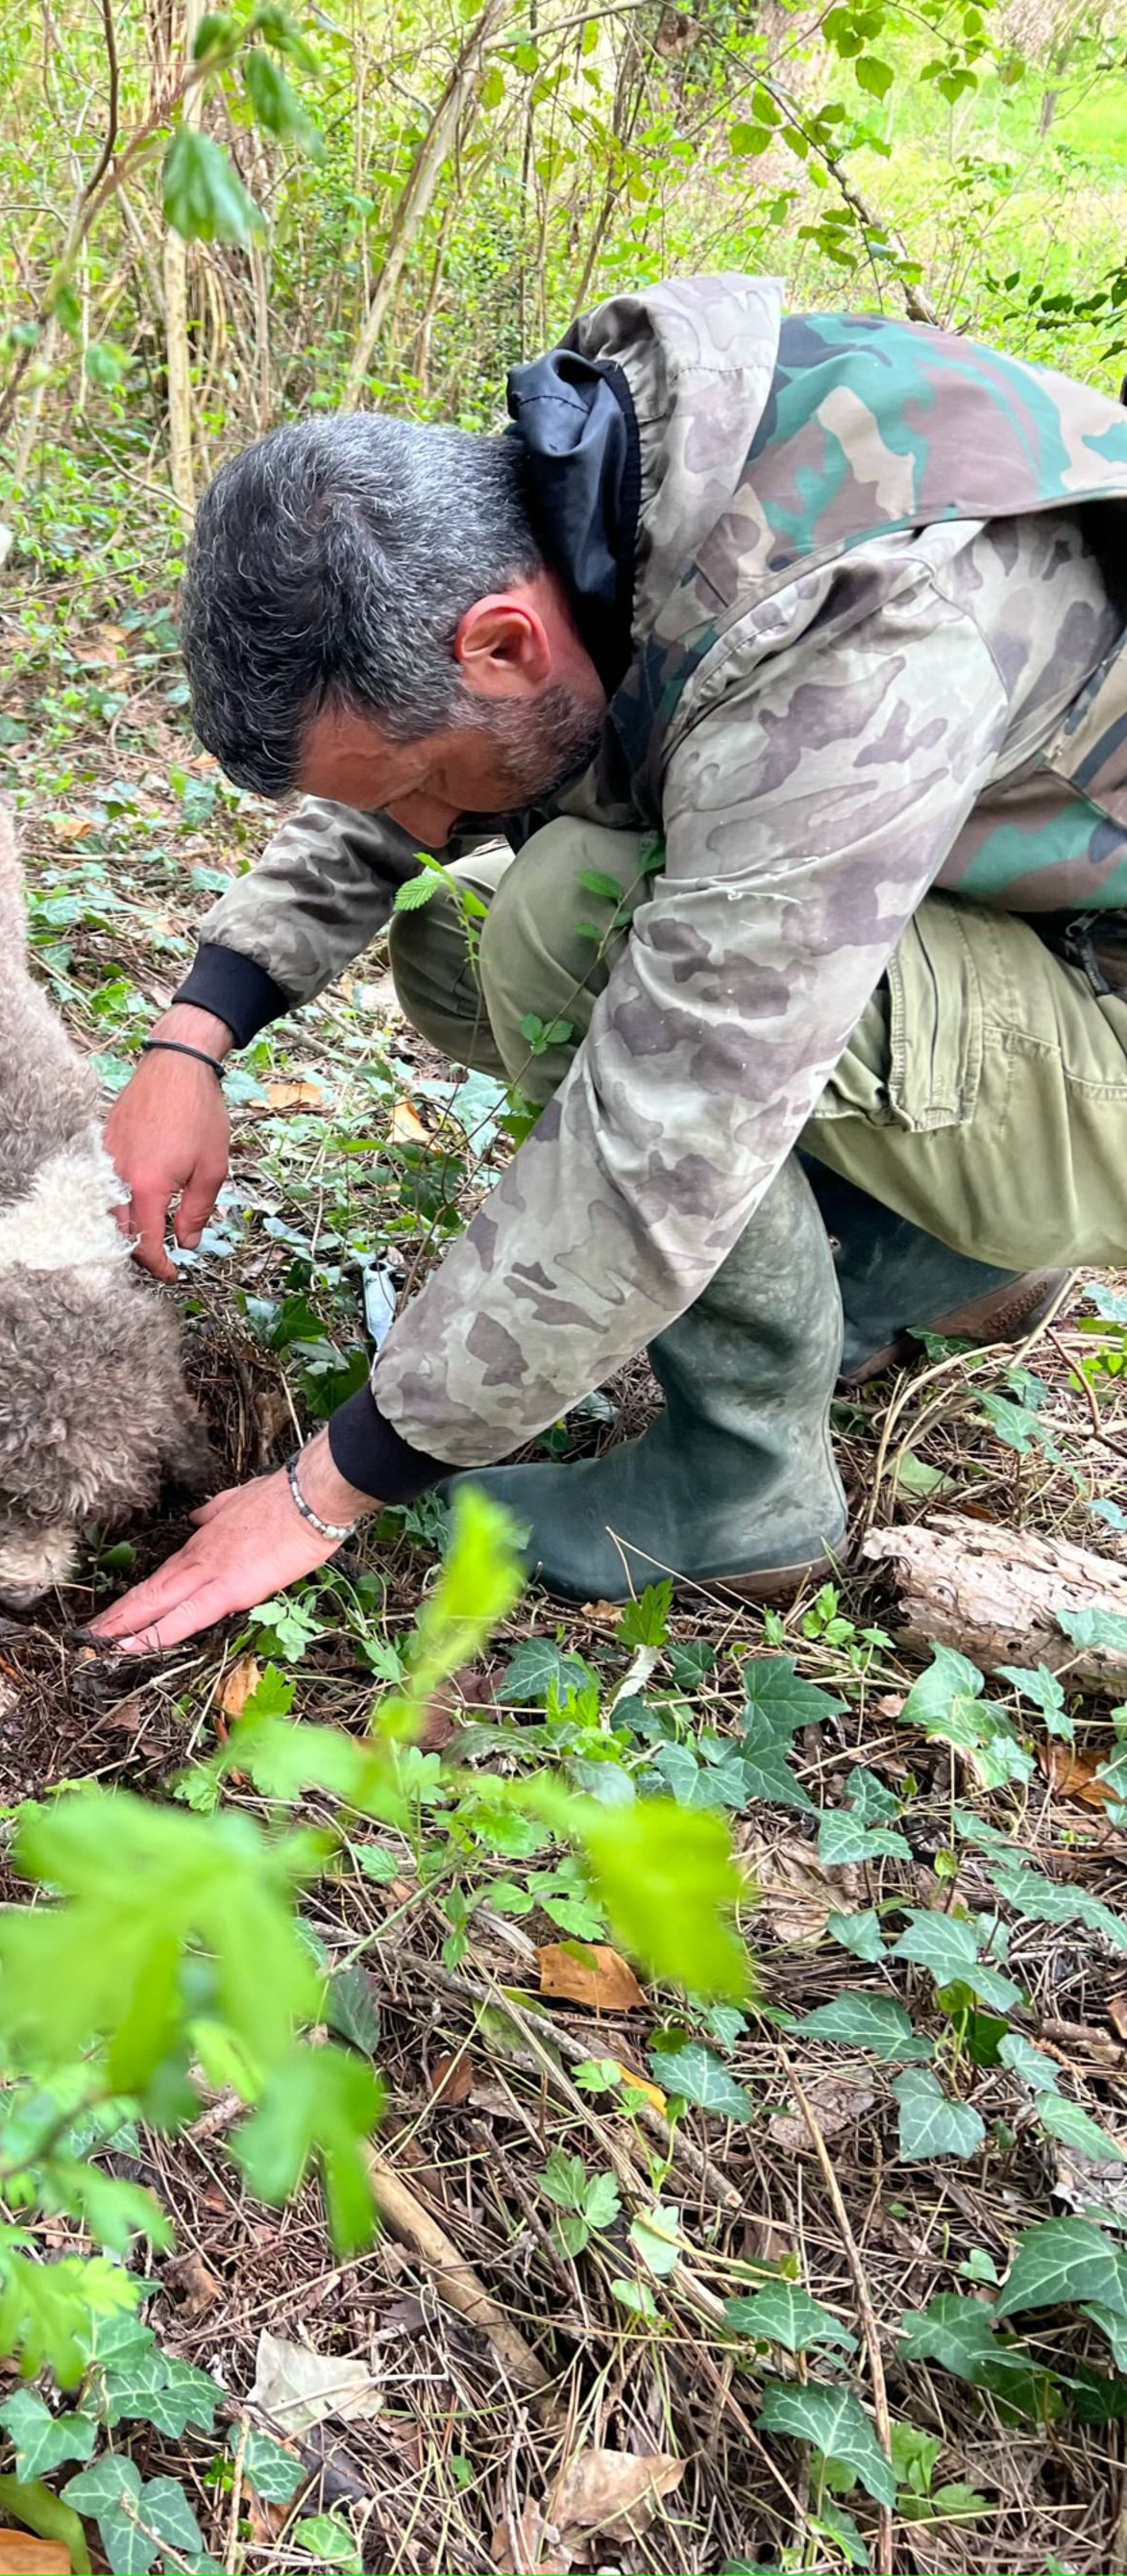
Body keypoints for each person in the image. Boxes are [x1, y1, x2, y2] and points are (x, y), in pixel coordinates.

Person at [90, 272, 1127, 1654]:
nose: (410, 830)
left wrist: (329, 1486)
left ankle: (744, 1485)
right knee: (472, 929)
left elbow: (672, 1129)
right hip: (1051, 933)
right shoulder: (595, 479)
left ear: (504, 640)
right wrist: (195, 1036)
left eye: (407, 783)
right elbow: (418, 755)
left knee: (569, 917)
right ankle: (932, 1258)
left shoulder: (850, 630)